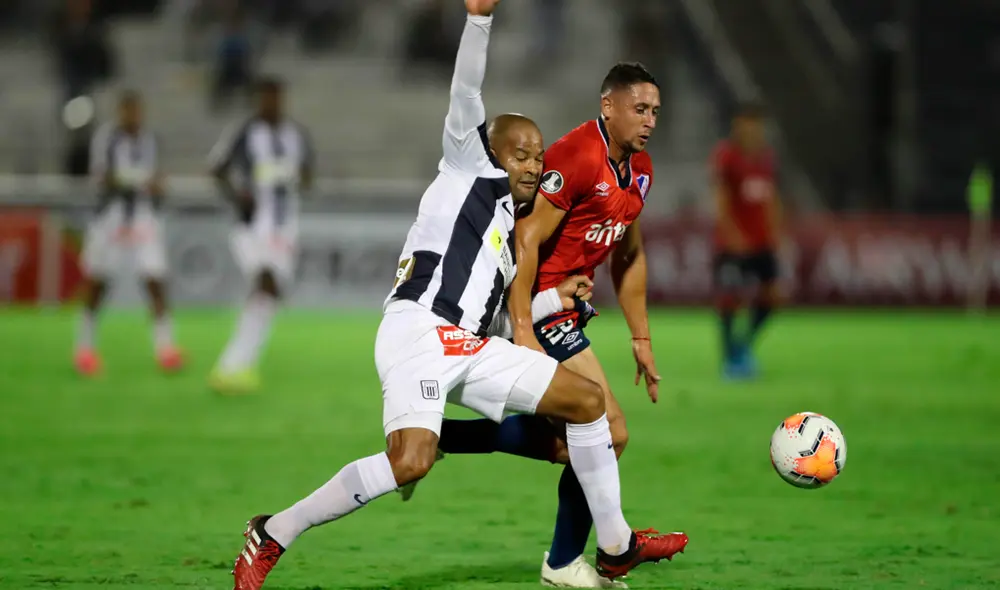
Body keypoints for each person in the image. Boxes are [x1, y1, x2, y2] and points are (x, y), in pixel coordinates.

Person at [231, 3, 687, 589]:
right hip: (417, 332)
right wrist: (479, 21)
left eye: (537, 155)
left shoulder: (505, 235)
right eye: (519, 152)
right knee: (409, 462)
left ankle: (617, 546)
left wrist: (550, 303)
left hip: (468, 344)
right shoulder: (466, 167)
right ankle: (273, 532)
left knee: (588, 404)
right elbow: (467, 87)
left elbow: (493, 318)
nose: (531, 164)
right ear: (490, 148)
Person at [425, 62, 667, 588]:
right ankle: (574, 560)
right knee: (610, 431)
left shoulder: (641, 169)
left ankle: (443, 437)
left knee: (568, 445)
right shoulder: (579, 156)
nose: (648, 121)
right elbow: (524, 239)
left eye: (654, 111)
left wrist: (641, 338)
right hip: (538, 305)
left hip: (567, 309)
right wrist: (525, 327)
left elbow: (629, 254)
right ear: (608, 106)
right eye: (639, 109)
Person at [208, 77, 313, 394]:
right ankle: (230, 366)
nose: (271, 103)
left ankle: (240, 366)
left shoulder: (296, 135)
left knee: (268, 295)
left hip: (285, 228)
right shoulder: (246, 132)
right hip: (253, 227)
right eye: (265, 98)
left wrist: (298, 179)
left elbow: (308, 173)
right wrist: (238, 195)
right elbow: (217, 167)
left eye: (276, 97)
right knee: (265, 283)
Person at [75, 90, 184, 376]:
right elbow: (101, 177)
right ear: (120, 112)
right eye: (128, 111)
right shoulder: (106, 139)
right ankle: (85, 348)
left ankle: (166, 348)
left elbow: (157, 179)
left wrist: (157, 186)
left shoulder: (150, 140)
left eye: (137, 111)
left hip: (144, 219)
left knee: (155, 280)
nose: (133, 117)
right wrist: (136, 179)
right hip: (111, 219)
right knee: (100, 283)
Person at [711, 103, 783, 379]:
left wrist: (775, 231)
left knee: (772, 297)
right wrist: (730, 235)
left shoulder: (766, 158)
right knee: (730, 298)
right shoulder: (727, 157)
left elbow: (772, 198)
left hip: (762, 242)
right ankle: (730, 357)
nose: (750, 130)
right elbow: (721, 199)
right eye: (745, 124)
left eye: (754, 124)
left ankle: (742, 347)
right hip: (733, 245)